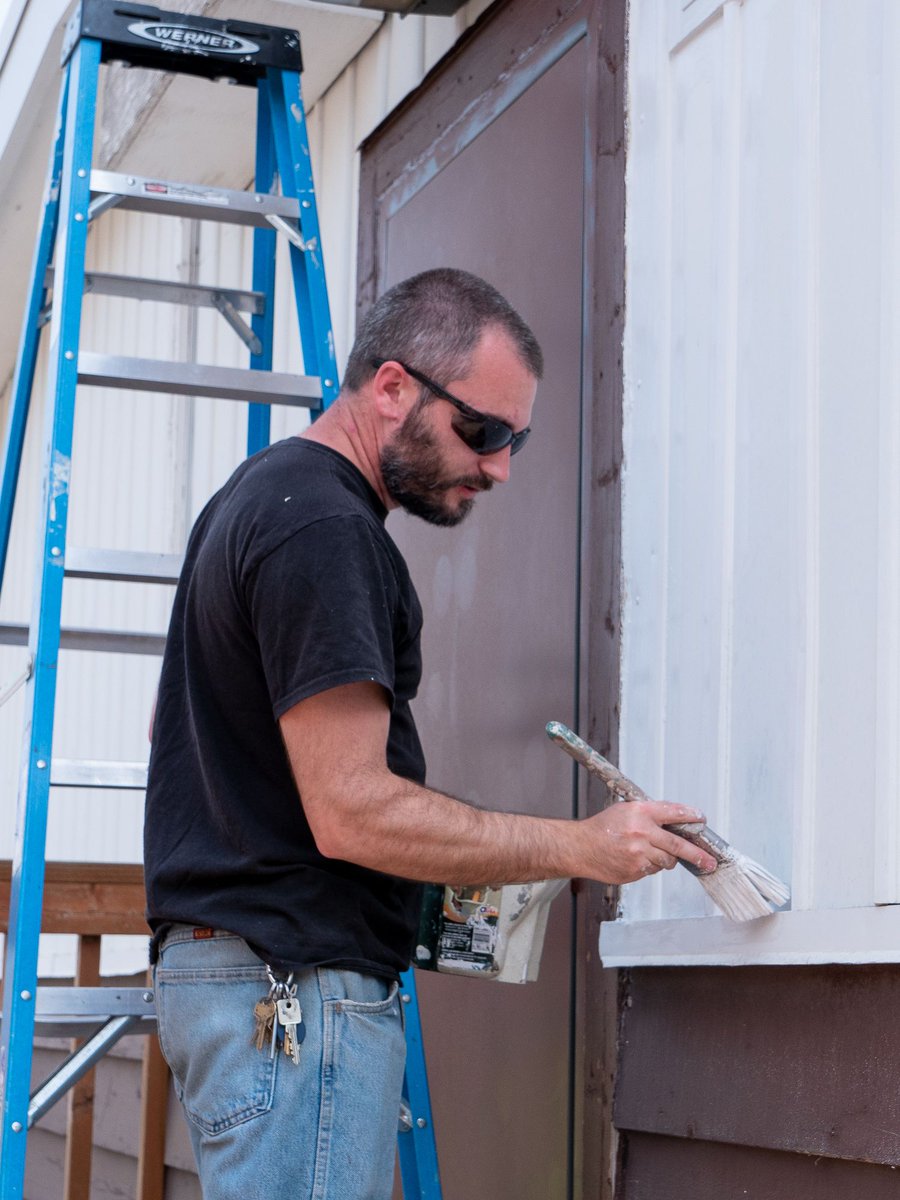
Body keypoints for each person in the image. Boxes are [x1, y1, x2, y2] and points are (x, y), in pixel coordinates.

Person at [143, 267, 715, 1200]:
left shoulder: (260, 500)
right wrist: (581, 847)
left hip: (249, 990)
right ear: (394, 387)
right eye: (483, 432)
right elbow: (354, 815)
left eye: (515, 440)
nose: (497, 466)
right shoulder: (322, 527)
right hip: (292, 998)